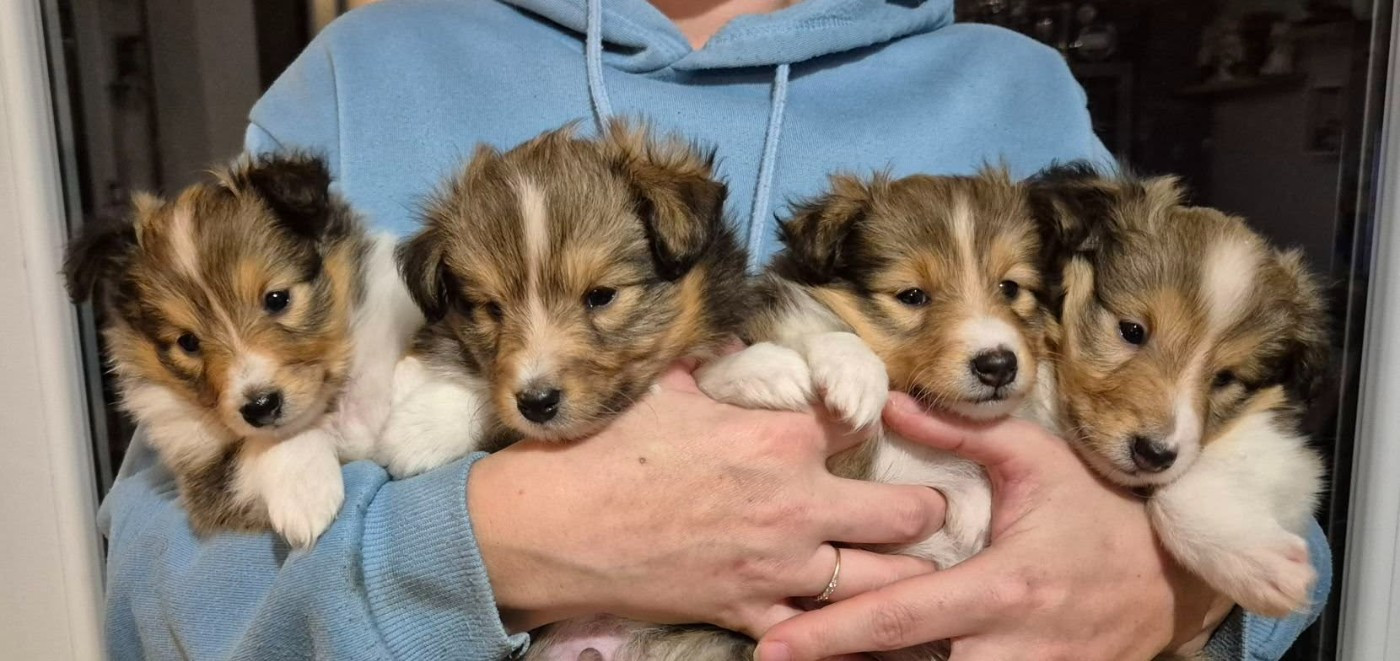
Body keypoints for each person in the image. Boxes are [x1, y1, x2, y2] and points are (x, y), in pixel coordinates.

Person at [98, 1, 1331, 659]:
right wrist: (482, 543)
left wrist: (1167, 591)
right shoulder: (367, 66)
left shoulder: (1011, 84)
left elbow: (1205, 419)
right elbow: (156, 560)